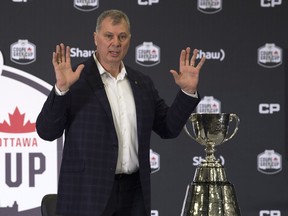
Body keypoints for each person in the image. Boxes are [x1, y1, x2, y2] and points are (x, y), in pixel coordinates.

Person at [36, 9, 205, 216]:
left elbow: (168, 127)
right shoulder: (75, 80)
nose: (115, 43)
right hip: (87, 194)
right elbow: (46, 131)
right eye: (109, 36)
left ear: (129, 40)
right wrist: (61, 90)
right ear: (95, 38)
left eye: (122, 37)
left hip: (134, 194)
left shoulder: (142, 83)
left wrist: (187, 92)